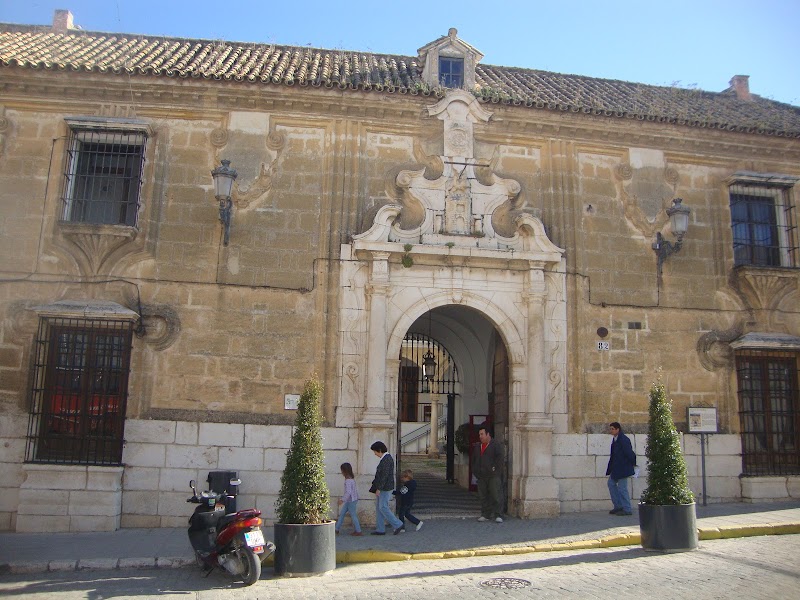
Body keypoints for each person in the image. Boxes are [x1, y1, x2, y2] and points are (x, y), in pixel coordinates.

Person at [470, 423, 504, 523]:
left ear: (488, 434)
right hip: (481, 476)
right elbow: (474, 460)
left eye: (482, 434)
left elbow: (500, 459)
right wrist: (475, 470)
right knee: (483, 496)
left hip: (493, 475)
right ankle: (485, 514)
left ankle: (498, 514)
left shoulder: (495, 445)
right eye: (479, 434)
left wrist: (495, 470)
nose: (480, 436)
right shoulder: (478, 446)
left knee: (496, 495)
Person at [369, 441, 405, 535]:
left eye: (375, 451)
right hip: (384, 487)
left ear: (379, 450)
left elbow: (384, 476)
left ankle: (398, 524)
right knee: (379, 508)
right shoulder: (386, 458)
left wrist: (379, 488)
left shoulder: (386, 459)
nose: (375, 454)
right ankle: (380, 529)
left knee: (382, 507)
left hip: (385, 488)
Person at [606, 422, 637, 516]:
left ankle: (627, 509)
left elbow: (630, 453)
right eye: (610, 429)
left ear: (617, 429)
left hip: (623, 468)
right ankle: (618, 506)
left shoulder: (623, 440)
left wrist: (632, 464)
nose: (611, 431)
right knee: (611, 484)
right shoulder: (615, 439)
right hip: (616, 468)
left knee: (622, 488)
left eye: (612, 429)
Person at [335, 462, 362, 536]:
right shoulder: (351, 479)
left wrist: (342, 500)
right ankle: (336, 529)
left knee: (352, 515)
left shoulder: (348, 481)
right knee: (342, 514)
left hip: (350, 500)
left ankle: (358, 530)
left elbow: (348, 492)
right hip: (352, 500)